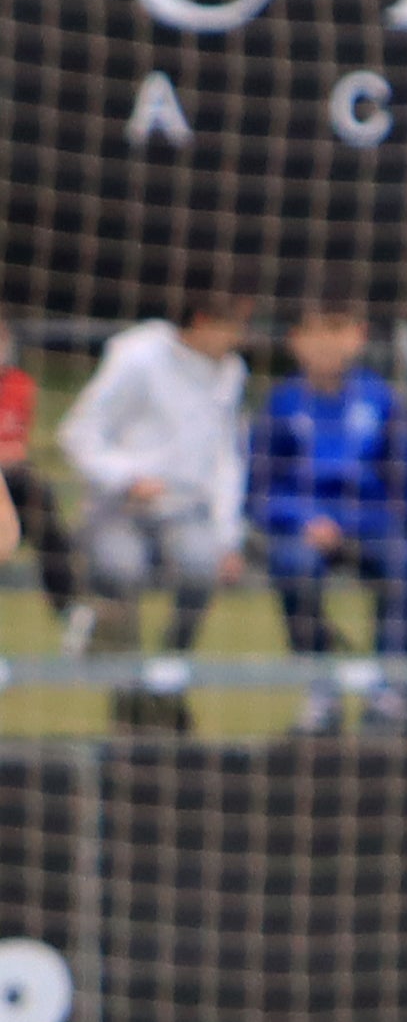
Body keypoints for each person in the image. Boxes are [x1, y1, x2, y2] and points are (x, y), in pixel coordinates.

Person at [250, 293, 407, 733]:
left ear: (358, 337)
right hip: (308, 529)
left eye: (338, 328)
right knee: (294, 565)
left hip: (373, 523)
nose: (327, 342)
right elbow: (260, 493)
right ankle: (320, 689)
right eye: (316, 330)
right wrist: (301, 518)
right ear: (296, 340)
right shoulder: (281, 405)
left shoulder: (381, 401)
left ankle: (389, 689)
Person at [66, 288, 251, 721]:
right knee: (120, 566)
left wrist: (228, 535)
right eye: (235, 325)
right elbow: (79, 433)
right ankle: (126, 686)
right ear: (204, 319)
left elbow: (227, 458)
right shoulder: (137, 356)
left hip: (185, 509)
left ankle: (167, 678)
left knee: (202, 563)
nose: (240, 337)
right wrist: (127, 477)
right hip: (119, 508)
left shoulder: (230, 373)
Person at [0, 316, 66, 626]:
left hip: (12, 479)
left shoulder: (20, 383)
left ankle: (69, 607)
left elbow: (17, 446)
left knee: (38, 495)